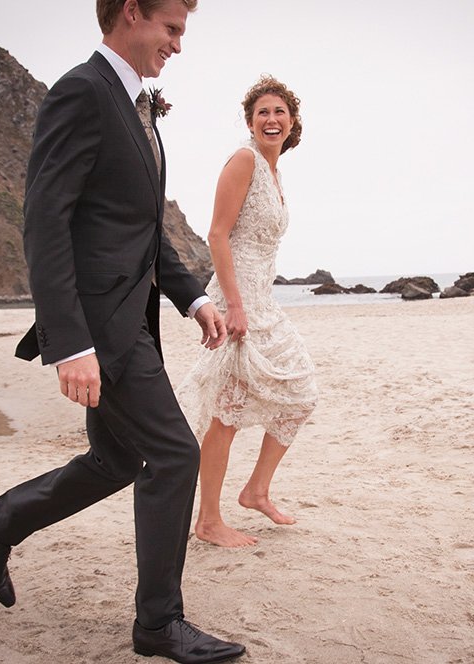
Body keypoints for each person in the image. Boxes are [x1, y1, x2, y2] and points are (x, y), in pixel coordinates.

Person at [0, 2, 246, 662]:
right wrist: (71, 344)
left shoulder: (136, 104)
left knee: (117, 460)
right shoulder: (82, 92)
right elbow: (45, 222)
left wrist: (191, 298)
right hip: (102, 329)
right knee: (175, 453)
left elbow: (139, 229)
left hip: (129, 319)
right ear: (130, 13)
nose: (178, 44)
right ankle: (158, 624)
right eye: (171, 28)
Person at [176, 76, 318, 548]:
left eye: (280, 112)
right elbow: (218, 235)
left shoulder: (275, 172)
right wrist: (233, 306)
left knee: (300, 393)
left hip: (263, 301)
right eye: (263, 113)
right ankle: (209, 520)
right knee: (226, 412)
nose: (271, 120)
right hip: (235, 302)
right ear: (250, 121)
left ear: (293, 122)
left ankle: (256, 490)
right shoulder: (244, 161)